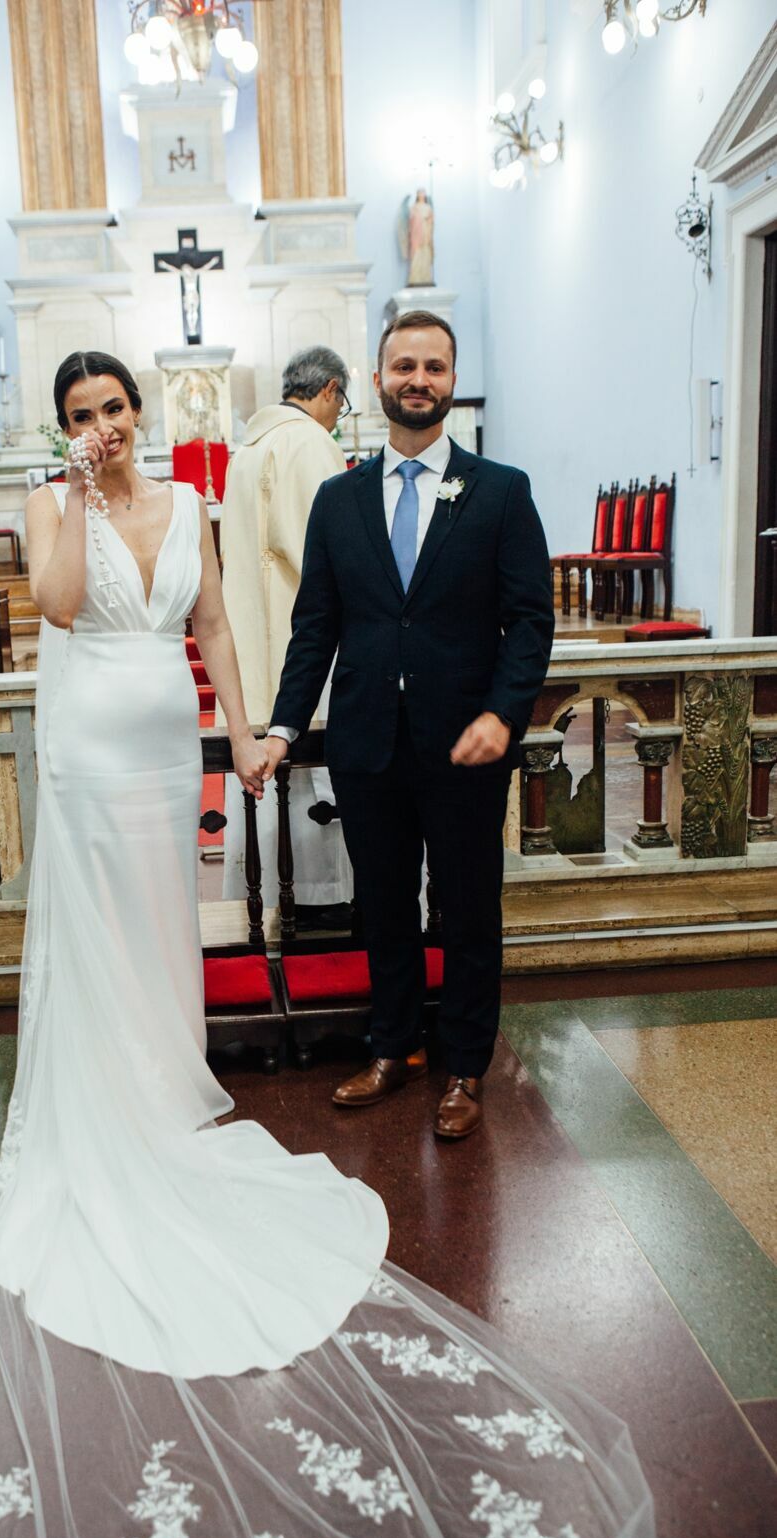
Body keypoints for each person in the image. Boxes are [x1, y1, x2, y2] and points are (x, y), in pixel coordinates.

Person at [0, 350, 653, 1538]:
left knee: (166, 933)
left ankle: (186, 1086)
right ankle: (108, 1106)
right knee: (106, 930)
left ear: (145, 413)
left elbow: (214, 619)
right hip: (86, 754)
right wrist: (74, 491)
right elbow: (58, 608)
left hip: (170, 755)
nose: (105, 427)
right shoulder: (56, 507)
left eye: (115, 410)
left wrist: (241, 731)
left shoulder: (196, 505)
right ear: (65, 427)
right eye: (83, 414)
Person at [265, 310, 555, 1140]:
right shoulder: (337, 499)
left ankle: (464, 1063)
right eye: (403, 365)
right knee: (383, 906)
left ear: (451, 380)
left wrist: (504, 714)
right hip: (365, 741)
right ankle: (393, 1048)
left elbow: (529, 620)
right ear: (377, 376)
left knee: (466, 908)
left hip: (466, 741)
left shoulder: (500, 491)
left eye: (433, 366)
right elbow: (314, 624)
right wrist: (286, 725)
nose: (417, 379)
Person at [219, 345, 353, 923]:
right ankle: (323, 894)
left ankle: (275, 890)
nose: (338, 415)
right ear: (328, 389)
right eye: (341, 404)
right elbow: (329, 553)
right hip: (305, 641)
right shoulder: (308, 443)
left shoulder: (246, 447)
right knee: (313, 764)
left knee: (277, 778)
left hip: (255, 635)